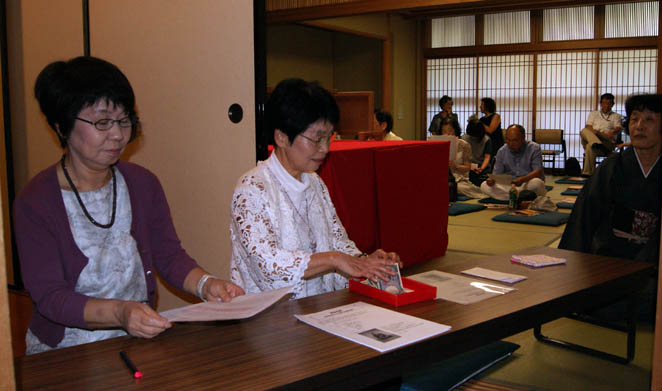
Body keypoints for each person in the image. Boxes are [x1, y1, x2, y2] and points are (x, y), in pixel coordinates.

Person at [14, 56, 244, 355]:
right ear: (62, 125)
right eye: (102, 122)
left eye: (124, 121)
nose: (118, 134)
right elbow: (50, 297)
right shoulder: (36, 202)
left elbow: (168, 254)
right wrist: (120, 313)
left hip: (134, 340)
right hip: (65, 352)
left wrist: (206, 284)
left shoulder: (142, 183)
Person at [230, 78, 401, 299]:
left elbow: (338, 242)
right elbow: (266, 265)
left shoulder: (314, 182)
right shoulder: (252, 189)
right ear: (281, 136)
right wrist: (333, 259)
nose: (325, 149)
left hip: (315, 309)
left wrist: (364, 261)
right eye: (316, 139)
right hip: (270, 318)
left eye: (328, 137)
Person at [559, 94, 662, 320]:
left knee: (660, 296)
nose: (639, 126)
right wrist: (570, 267)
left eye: (649, 120)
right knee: (596, 293)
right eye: (635, 119)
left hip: (655, 256)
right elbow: (585, 216)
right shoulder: (613, 166)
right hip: (611, 252)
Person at [480, 124, 545, 200]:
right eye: (508, 140)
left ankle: (512, 196)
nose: (510, 144)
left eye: (514, 140)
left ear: (523, 139)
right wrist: (492, 180)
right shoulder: (502, 151)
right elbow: (497, 174)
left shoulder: (534, 148)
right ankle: (521, 197)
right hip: (509, 185)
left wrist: (522, 179)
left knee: (537, 183)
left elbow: (538, 172)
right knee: (484, 185)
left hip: (526, 183)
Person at [580, 93, 624, 176]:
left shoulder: (616, 116)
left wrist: (613, 132)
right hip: (595, 135)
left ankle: (587, 174)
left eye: (609, 103)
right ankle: (596, 144)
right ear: (600, 104)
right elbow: (588, 126)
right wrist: (595, 132)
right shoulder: (594, 114)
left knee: (590, 147)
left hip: (606, 140)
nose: (606, 105)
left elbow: (618, 127)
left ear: (612, 104)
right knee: (584, 130)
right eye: (604, 103)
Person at [442, 120, 483, 199]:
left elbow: (467, 167)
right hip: (442, 179)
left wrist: (456, 166)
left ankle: (481, 194)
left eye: (450, 131)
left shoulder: (464, 145)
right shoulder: (439, 145)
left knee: (459, 188)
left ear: (455, 131)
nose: (446, 134)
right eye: (444, 131)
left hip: (459, 179)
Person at [463, 120, 493, 187]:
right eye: (471, 136)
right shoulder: (464, 138)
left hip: (482, 167)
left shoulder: (486, 140)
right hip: (468, 166)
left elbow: (487, 157)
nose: (473, 138)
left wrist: (481, 168)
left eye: (475, 136)